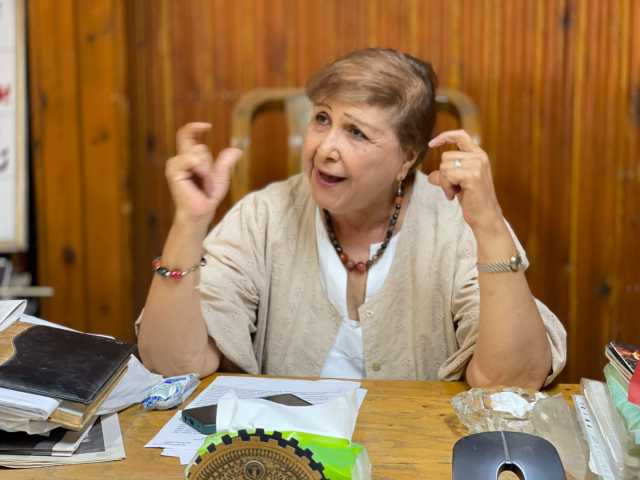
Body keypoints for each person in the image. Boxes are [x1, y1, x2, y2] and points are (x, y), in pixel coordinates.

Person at [137, 48, 566, 389]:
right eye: (322, 119)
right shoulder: (264, 216)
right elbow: (174, 364)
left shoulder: (454, 224)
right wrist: (189, 223)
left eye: (356, 132)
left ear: (407, 159)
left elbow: (512, 381)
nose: (325, 149)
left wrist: (490, 226)